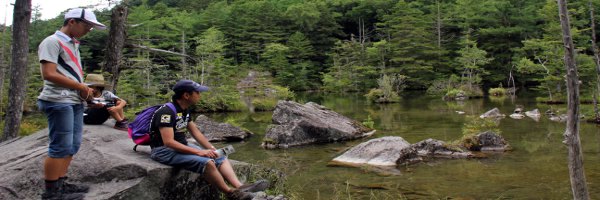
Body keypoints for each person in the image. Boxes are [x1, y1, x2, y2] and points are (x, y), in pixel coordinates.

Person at [150, 80, 268, 200]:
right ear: (186, 95)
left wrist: (212, 149)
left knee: (221, 154)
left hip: (181, 146)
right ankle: (232, 194)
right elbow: (168, 142)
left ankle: (240, 187)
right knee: (207, 163)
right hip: (163, 151)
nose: (199, 95)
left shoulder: (185, 110)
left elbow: (195, 132)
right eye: (197, 92)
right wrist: (199, 152)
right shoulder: (166, 112)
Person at [37, 8, 106, 200]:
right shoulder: (52, 42)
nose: (88, 30)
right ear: (72, 22)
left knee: (72, 145)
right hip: (58, 100)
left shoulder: (73, 44)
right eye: (87, 26)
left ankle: (61, 183)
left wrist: (87, 96)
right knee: (60, 146)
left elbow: (70, 73)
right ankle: (51, 194)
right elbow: (48, 74)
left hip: (73, 100)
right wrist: (81, 86)